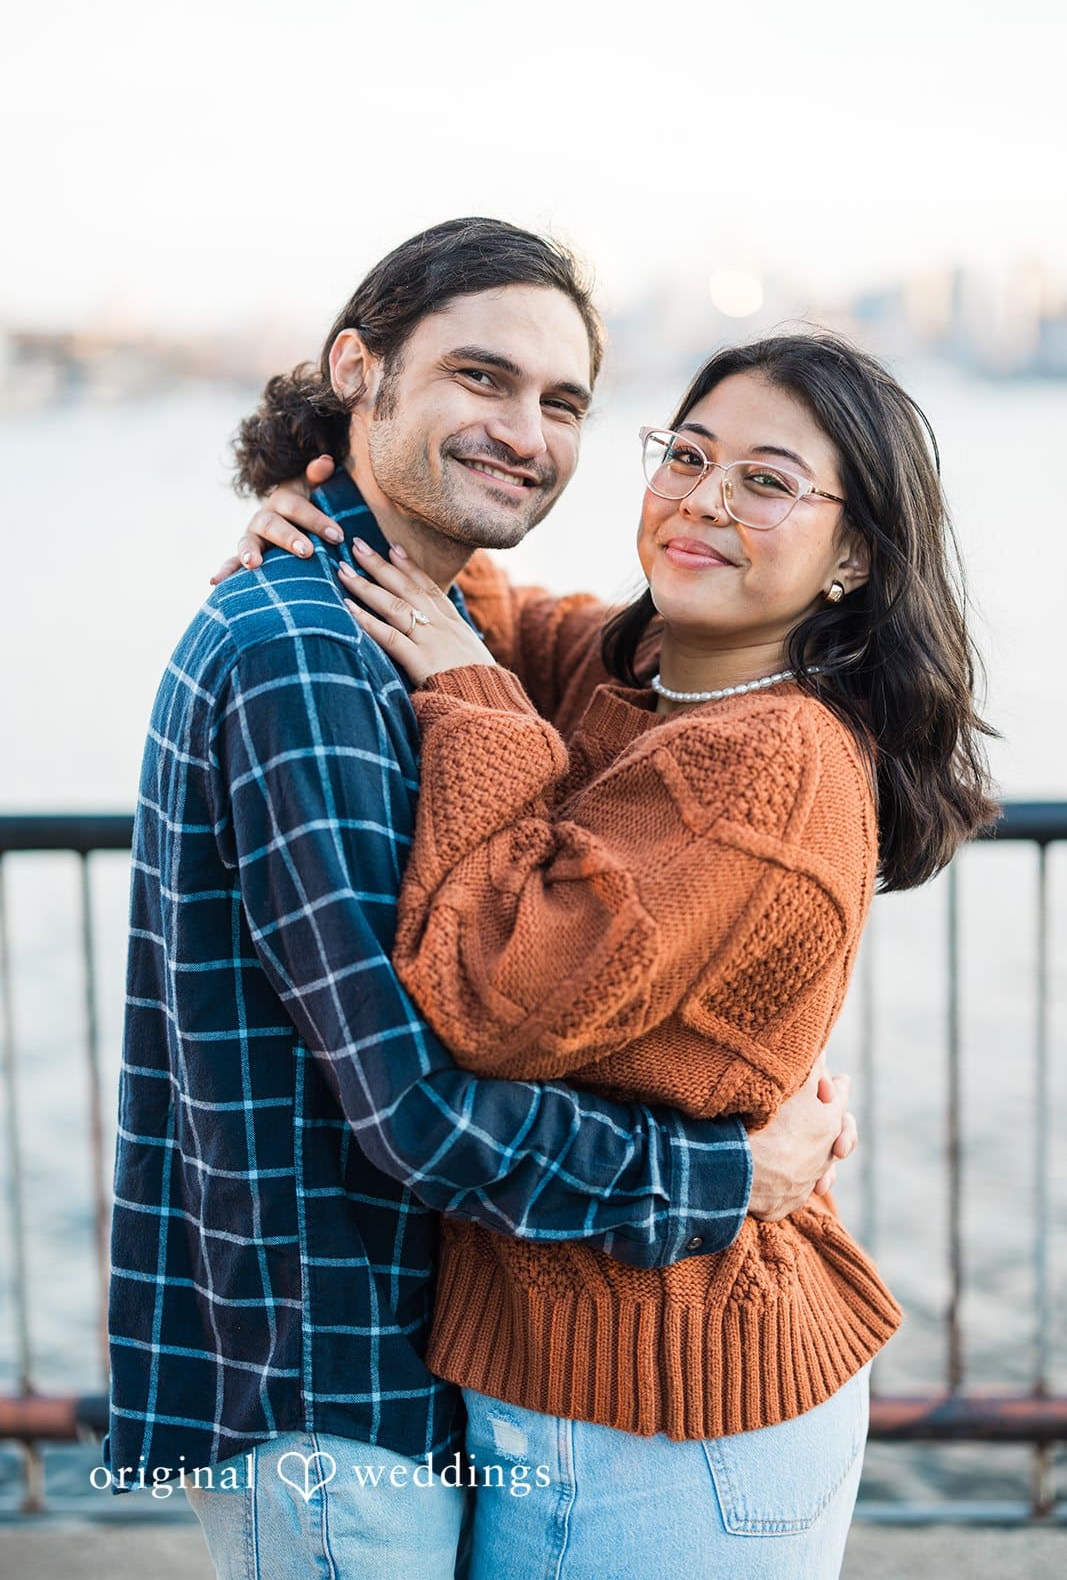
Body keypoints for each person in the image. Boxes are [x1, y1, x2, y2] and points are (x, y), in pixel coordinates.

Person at [109, 220, 855, 1580]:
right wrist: (724, 1175)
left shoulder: (388, 624)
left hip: (423, 1370)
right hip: (337, 1384)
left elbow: (514, 642)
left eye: (560, 402)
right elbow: (418, 1105)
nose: (523, 429)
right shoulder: (306, 655)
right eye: (479, 377)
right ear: (360, 367)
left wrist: (330, 510)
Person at [234, 330, 997, 1577]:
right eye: (685, 455)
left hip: (673, 1414)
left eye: (766, 480)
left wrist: (470, 699)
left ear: (853, 553)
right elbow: (486, 610)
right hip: (590, 1372)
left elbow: (492, 998)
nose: (700, 498)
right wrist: (328, 511)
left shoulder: (768, 757)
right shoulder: (643, 668)